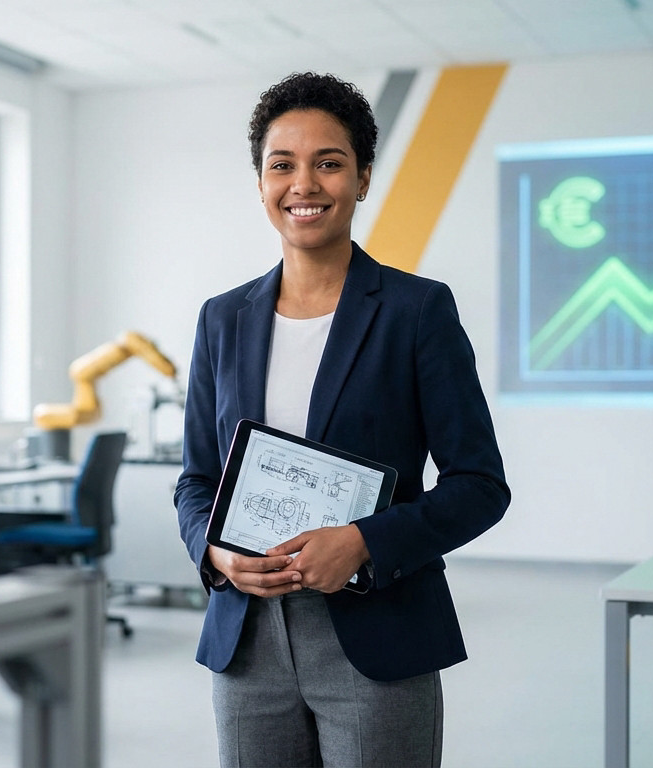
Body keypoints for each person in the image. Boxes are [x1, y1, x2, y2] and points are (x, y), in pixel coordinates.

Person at [174, 72, 511, 768]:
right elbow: (196, 482)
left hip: (377, 638)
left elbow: (480, 483)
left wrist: (364, 541)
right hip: (248, 643)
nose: (305, 184)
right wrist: (215, 552)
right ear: (261, 181)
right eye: (282, 164)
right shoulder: (222, 319)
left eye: (329, 162)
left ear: (361, 179)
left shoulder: (417, 311)